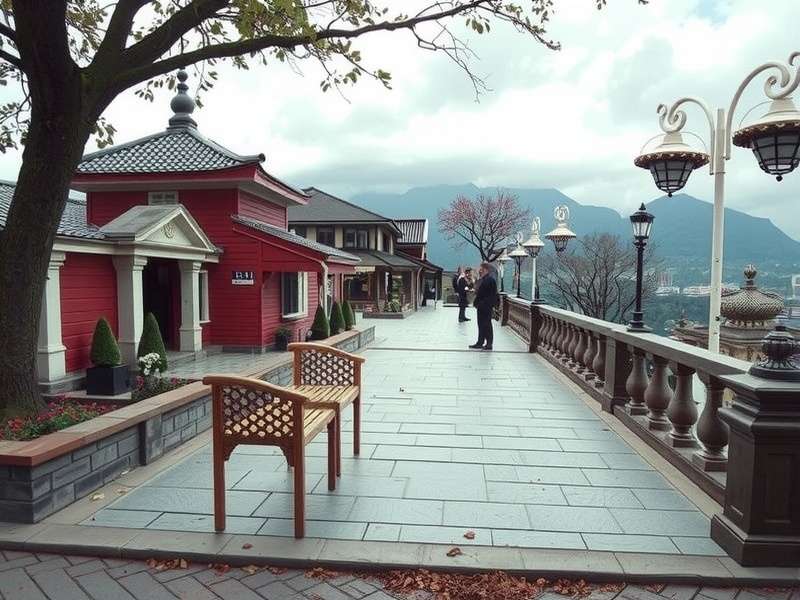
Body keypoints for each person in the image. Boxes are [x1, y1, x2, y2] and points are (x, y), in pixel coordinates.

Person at [469, 262, 498, 351]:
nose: (479, 271)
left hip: (485, 306)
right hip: (482, 306)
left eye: (481, 270)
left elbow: (489, 295)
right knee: (481, 324)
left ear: (485, 270)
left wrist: (481, 303)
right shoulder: (485, 279)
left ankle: (489, 343)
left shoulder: (489, 280)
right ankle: (480, 342)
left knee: (486, 324)